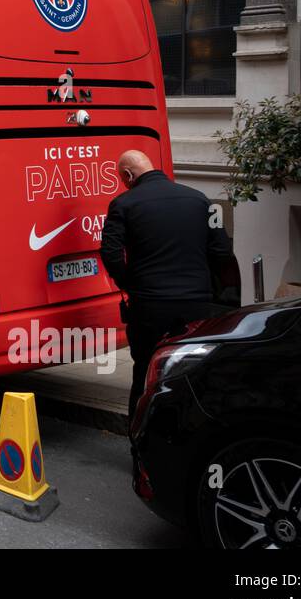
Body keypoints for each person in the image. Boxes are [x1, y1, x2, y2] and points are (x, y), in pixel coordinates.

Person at [100, 150, 233, 419]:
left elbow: (110, 253)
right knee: (194, 370)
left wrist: (129, 282)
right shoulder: (199, 199)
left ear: (128, 175)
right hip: (197, 304)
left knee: (147, 372)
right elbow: (222, 251)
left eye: (122, 179)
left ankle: (141, 444)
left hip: (150, 306)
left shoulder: (124, 204)